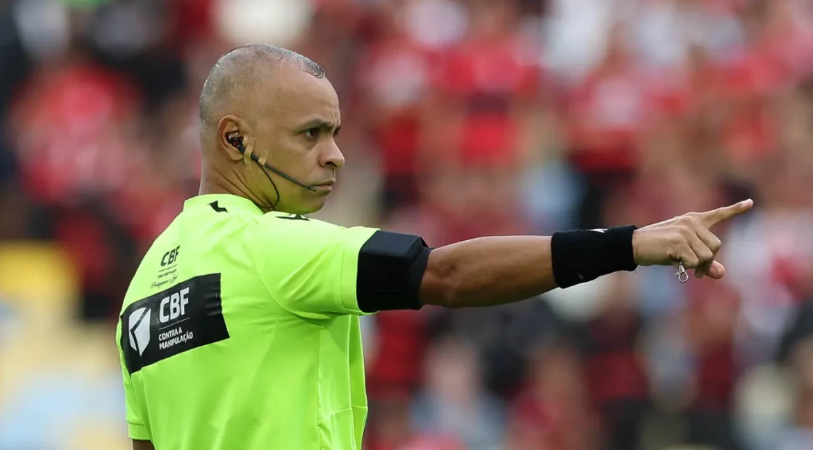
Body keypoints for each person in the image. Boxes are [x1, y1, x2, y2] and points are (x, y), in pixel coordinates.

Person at [116, 45, 753, 450]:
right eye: (310, 134)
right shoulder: (271, 246)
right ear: (234, 140)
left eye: (335, 132)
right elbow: (442, 274)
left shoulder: (141, 293)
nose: (335, 154)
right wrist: (631, 243)